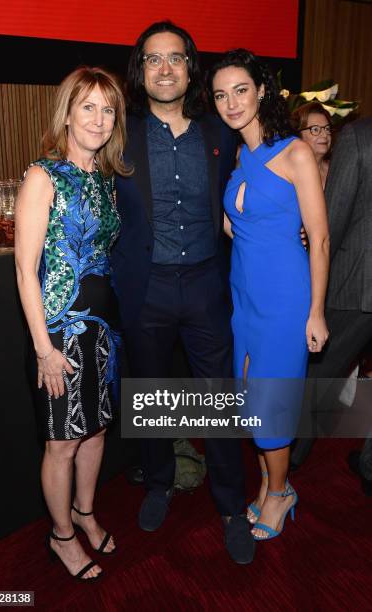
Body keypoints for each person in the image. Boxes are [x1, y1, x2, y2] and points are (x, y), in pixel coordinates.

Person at [111, 21, 255, 564]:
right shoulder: (118, 130)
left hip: (203, 284)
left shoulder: (219, 131)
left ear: (191, 67)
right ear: (140, 69)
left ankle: (231, 506)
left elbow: (251, 185)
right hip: (144, 286)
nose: (166, 69)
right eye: (154, 59)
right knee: (147, 392)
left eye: (176, 58)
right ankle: (158, 480)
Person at [208, 49, 329, 541]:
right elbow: (238, 220)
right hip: (245, 297)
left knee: (270, 404)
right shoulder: (240, 155)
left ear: (261, 91)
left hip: (284, 299)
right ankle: (267, 482)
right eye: (220, 94)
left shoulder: (296, 152)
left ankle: (281, 494)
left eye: (240, 90)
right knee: (251, 397)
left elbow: (318, 238)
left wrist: (316, 312)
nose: (231, 102)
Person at [15, 66, 130, 580]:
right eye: (89, 106)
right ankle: (61, 535)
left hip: (106, 329)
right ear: (68, 112)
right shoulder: (43, 176)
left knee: (97, 431)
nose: (99, 119)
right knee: (61, 442)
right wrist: (43, 349)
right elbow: (25, 270)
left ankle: (85, 512)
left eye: (108, 109)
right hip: (59, 333)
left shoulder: (105, 179)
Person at [290, 117, 372, 495]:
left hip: (356, 285)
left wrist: (312, 287)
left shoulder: (359, 136)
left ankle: (289, 457)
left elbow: (332, 223)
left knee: (314, 378)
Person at [292, 102, 333, 189]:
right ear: (298, 134)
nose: (325, 134)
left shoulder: (337, 168)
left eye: (327, 129)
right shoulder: (290, 173)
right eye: (315, 129)